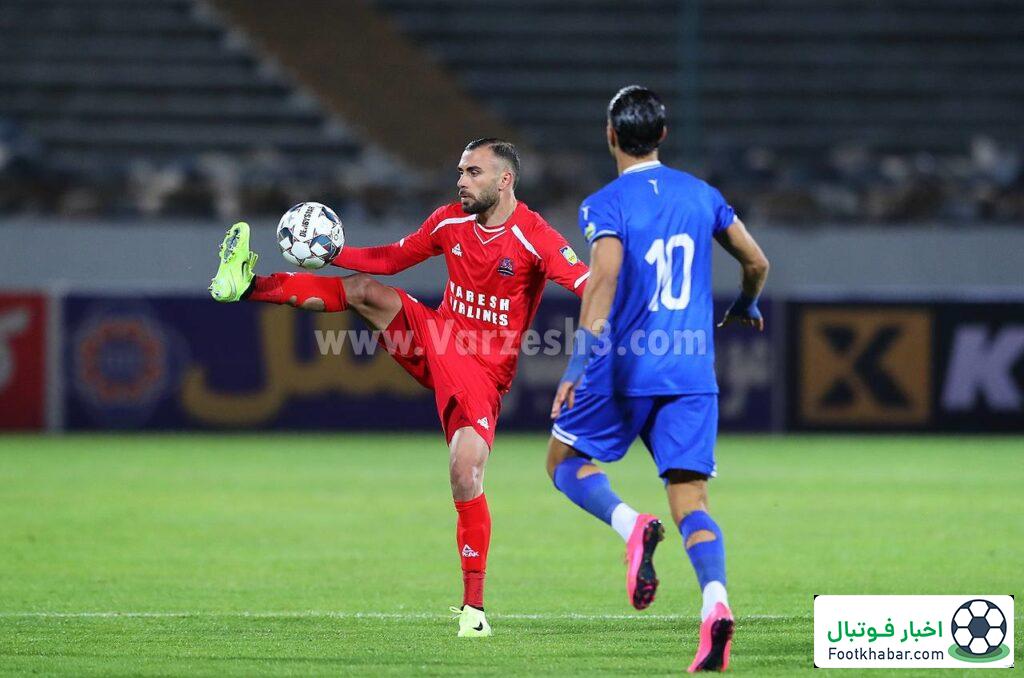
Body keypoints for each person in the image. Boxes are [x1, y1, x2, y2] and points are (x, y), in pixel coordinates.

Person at [209, 138, 589, 637]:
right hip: (438, 340)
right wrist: (337, 252)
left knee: (464, 472)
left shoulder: (535, 236)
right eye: (460, 171)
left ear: (505, 180)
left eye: (473, 172)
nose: (461, 181)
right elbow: (393, 259)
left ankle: (473, 610)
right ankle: (250, 284)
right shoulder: (448, 221)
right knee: (367, 290)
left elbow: (587, 284)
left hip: (483, 372)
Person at [546, 87, 769, 672]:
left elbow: (605, 280)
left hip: (625, 367)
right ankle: (715, 604)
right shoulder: (703, 196)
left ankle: (630, 524)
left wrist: (576, 365)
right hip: (692, 372)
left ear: (611, 135)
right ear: (663, 137)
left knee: (562, 462)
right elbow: (756, 262)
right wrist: (746, 303)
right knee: (692, 501)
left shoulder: (605, 203)